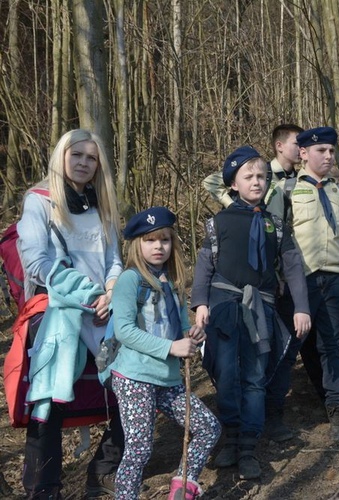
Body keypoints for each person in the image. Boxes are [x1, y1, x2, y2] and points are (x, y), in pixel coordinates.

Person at [17, 129, 125, 498]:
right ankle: (43, 489)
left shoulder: (103, 204)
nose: (83, 162)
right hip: (58, 313)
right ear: (62, 156)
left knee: (133, 388)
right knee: (49, 403)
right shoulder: (39, 200)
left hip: (102, 314)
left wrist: (111, 293)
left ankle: (104, 471)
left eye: (91, 158)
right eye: (76, 154)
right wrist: (88, 295)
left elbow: (114, 261)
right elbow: (36, 262)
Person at [192, 146, 311, 479]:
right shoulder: (219, 223)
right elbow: (204, 265)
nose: (256, 181)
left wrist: (301, 307)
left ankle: (248, 446)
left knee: (255, 378)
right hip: (225, 307)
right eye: (248, 176)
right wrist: (200, 303)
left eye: (261, 176)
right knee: (227, 375)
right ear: (233, 184)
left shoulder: (276, 223)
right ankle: (229, 438)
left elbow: (293, 266)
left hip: (262, 308)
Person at [109, 207, 221, 500]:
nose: (158, 246)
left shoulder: (171, 282)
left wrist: (191, 336)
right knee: (139, 449)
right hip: (134, 377)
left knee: (208, 427)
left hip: (167, 377)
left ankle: (182, 489)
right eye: (150, 240)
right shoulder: (129, 280)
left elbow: (180, 326)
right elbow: (123, 330)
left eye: (164, 240)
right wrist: (171, 347)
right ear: (137, 245)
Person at [267, 126, 339, 443]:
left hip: (338, 281)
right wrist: (280, 281)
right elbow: (274, 241)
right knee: (289, 347)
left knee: (332, 345)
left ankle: (338, 412)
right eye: (321, 150)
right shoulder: (284, 193)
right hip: (300, 282)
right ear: (303, 153)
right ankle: (273, 416)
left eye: (331, 151)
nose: (328, 156)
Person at [202, 123, 304, 208]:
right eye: (297, 144)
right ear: (279, 146)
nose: (302, 149)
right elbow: (210, 182)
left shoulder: (299, 180)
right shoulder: (258, 171)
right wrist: (232, 206)